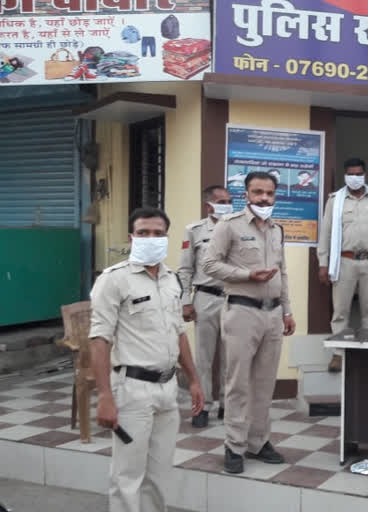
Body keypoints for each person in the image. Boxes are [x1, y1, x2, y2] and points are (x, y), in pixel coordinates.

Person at [89, 207, 204, 512]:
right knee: (127, 477)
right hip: (132, 390)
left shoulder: (171, 281)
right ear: (131, 237)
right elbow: (99, 339)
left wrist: (193, 379)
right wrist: (104, 395)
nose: (150, 238)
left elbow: (179, 333)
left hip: (167, 389)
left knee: (159, 475)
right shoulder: (114, 280)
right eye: (143, 233)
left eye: (157, 233)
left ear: (167, 238)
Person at [202, 171, 296, 474]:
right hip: (242, 311)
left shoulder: (276, 229)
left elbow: (282, 271)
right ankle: (234, 445)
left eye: (269, 193)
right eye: (258, 192)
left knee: (264, 383)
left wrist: (287, 310)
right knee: (238, 383)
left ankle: (258, 442)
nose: (264, 199)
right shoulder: (230, 226)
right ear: (246, 194)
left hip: (271, 314)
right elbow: (210, 264)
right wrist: (247, 276)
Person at [317, 157, 368, 372]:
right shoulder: (335, 200)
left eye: (359, 174)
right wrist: (323, 263)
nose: (355, 178)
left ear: (365, 175)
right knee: (341, 312)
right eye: (351, 174)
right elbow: (326, 234)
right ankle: (339, 354)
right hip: (344, 262)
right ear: (345, 176)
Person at [178, 185, 232, 428]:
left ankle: (226, 405)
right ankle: (202, 405)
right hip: (205, 297)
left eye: (229, 200)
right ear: (208, 205)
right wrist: (186, 301)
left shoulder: (238, 228)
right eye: (221, 201)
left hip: (233, 298)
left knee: (231, 357)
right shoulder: (194, 231)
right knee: (204, 357)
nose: (226, 205)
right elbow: (185, 269)